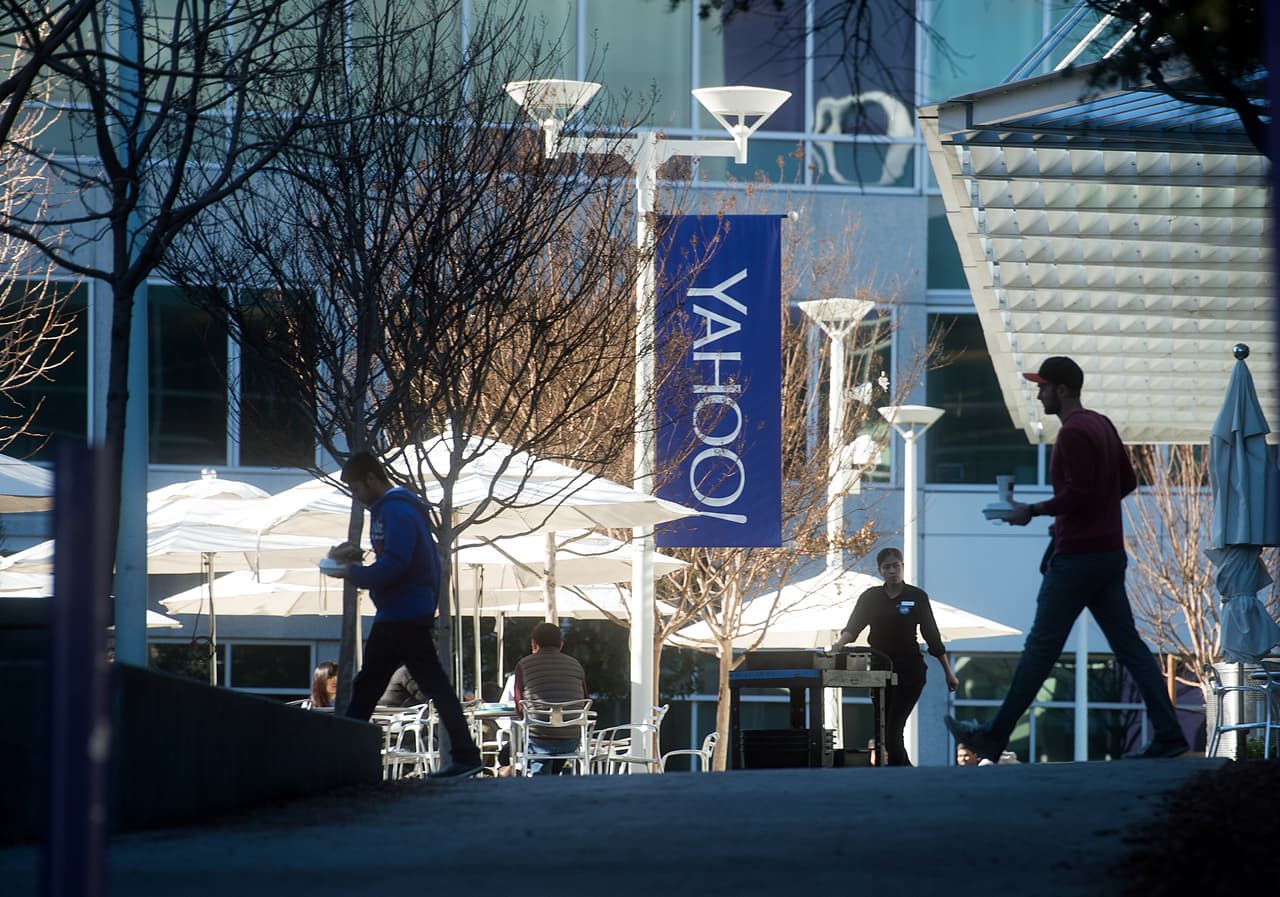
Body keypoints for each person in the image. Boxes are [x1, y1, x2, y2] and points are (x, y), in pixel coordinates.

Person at [945, 356, 1189, 762]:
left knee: (1040, 649)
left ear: (1061, 389)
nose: (1038, 393)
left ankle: (993, 736)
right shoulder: (1102, 424)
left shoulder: (1074, 433)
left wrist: (1033, 511)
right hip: (1109, 554)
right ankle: (1169, 734)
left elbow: (1079, 494)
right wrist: (1092, 516)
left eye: (1043, 386)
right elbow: (1125, 483)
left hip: (1077, 558)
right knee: (1130, 648)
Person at [322, 451, 483, 778]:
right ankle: (465, 754)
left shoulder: (393, 511)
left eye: (356, 488)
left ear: (370, 478)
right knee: (378, 685)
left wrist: (351, 572)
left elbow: (395, 565)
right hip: (405, 610)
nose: (357, 497)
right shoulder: (401, 510)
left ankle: (340, 759)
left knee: (411, 685)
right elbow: (409, 561)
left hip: (401, 612)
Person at [833, 547, 959, 766]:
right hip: (880, 670)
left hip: (909, 670)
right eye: (887, 567)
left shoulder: (915, 597)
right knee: (881, 732)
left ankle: (901, 775)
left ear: (902, 567)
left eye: (896, 566)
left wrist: (949, 673)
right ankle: (902, 773)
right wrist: (839, 644)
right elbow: (853, 627)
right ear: (880, 570)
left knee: (893, 730)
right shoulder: (871, 597)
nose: (892, 571)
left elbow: (932, 637)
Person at [512, 622, 589, 775]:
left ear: (534, 643)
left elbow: (519, 707)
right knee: (553, 760)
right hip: (571, 739)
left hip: (539, 739)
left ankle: (541, 783)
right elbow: (585, 701)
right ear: (561, 644)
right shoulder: (576, 665)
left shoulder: (523, 665)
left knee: (519, 746)